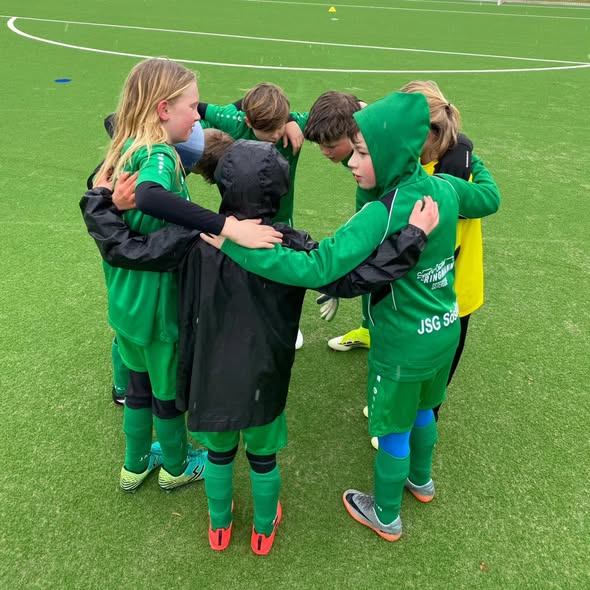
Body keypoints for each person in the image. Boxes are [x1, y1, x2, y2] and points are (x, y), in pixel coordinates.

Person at [82, 136, 439, 553]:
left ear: (221, 183)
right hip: (264, 374)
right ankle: (264, 530)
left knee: (219, 455)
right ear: (281, 189)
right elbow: (351, 278)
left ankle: (219, 526)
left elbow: (127, 250)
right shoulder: (291, 243)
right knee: (263, 458)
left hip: (210, 372)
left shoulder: (193, 236)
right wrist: (412, 237)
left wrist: (101, 200)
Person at [202, 91, 501, 541]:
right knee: (425, 411)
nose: (352, 163)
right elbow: (487, 199)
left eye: (361, 153)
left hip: (401, 344)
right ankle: (422, 482)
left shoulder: (380, 213)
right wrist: (472, 158)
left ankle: (386, 514)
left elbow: (316, 267)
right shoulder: (444, 188)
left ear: (390, 152)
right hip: (444, 329)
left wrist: (235, 246)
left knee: (395, 429)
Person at [92, 57, 282, 494]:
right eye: (192, 107)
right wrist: (226, 226)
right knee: (164, 394)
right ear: (163, 109)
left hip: (125, 301)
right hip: (157, 308)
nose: (198, 116)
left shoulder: (124, 146)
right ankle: (176, 466)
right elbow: (150, 195)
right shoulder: (158, 154)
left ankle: (135, 464)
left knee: (137, 385)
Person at [400, 80, 484, 421]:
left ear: (429, 131)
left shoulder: (452, 174)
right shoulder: (432, 162)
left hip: (448, 292)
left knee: (434, 376)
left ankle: (419, 423)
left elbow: (446, 244)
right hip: (428, 292)